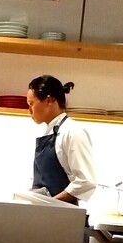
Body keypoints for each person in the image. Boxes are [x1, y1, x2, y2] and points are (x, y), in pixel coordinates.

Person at [27, 75, 97, 205]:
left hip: (62, 214)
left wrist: (51, 204)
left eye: (31, 104)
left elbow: (86, 181)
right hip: (46, 212)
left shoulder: (73, 132)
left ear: (50, 100)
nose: (29, 111)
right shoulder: (50, 133)